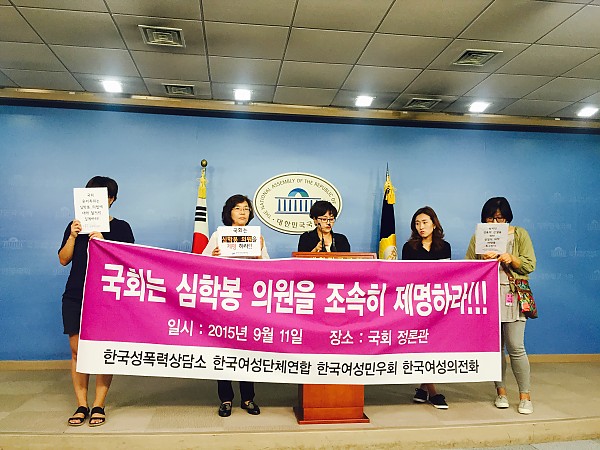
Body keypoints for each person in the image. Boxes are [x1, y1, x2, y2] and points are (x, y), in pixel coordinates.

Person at [59, 176, 134, 427]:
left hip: (106, 296)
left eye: (103, 195)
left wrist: (105, 243)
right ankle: (82, 404)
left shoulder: (122, 228)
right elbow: (63, 259)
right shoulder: (75, 225)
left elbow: (130, 261)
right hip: (75, 293)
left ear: (111, 200)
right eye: (91, 194)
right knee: (77, 351)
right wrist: (72, 236)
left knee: (102, 351)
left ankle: (99, 404)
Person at [466, 197, 536, 415]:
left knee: (516, 346)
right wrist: (482, 261)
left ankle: (525, 396)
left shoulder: (520, 234)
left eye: (499, 218)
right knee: (495, 349)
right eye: (490, 218)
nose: (495, 223)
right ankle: (501, 392)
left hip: (512, 295)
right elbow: (467, 267)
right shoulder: (479, 236)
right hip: (488, 297)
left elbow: (530, 264)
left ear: (507, 218)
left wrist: (511, 258)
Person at [202, 194, 267, 417]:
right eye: (237, 208)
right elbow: (200, 266)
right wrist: (213, 256)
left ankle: (248, 398)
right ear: (229, 212)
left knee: (247, 349)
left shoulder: (256, 237)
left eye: (246, 209)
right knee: (223, 349)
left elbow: (268, 269)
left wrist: (259, 256)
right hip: (224, 300)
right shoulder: (217, 236)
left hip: (248, 301)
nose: (242, 212)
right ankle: (226, 399)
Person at [401, 206, 450, 410]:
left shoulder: (444, 247)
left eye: (424, 222)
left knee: (434, 344)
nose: (421, 227)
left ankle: (423, 389)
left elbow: (447, 275)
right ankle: (433, 392)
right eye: (417, 223)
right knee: (422, 344)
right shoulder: (409, 247)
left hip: (438, 302)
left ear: (434, 224)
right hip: (416, 301)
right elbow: (406, 275)